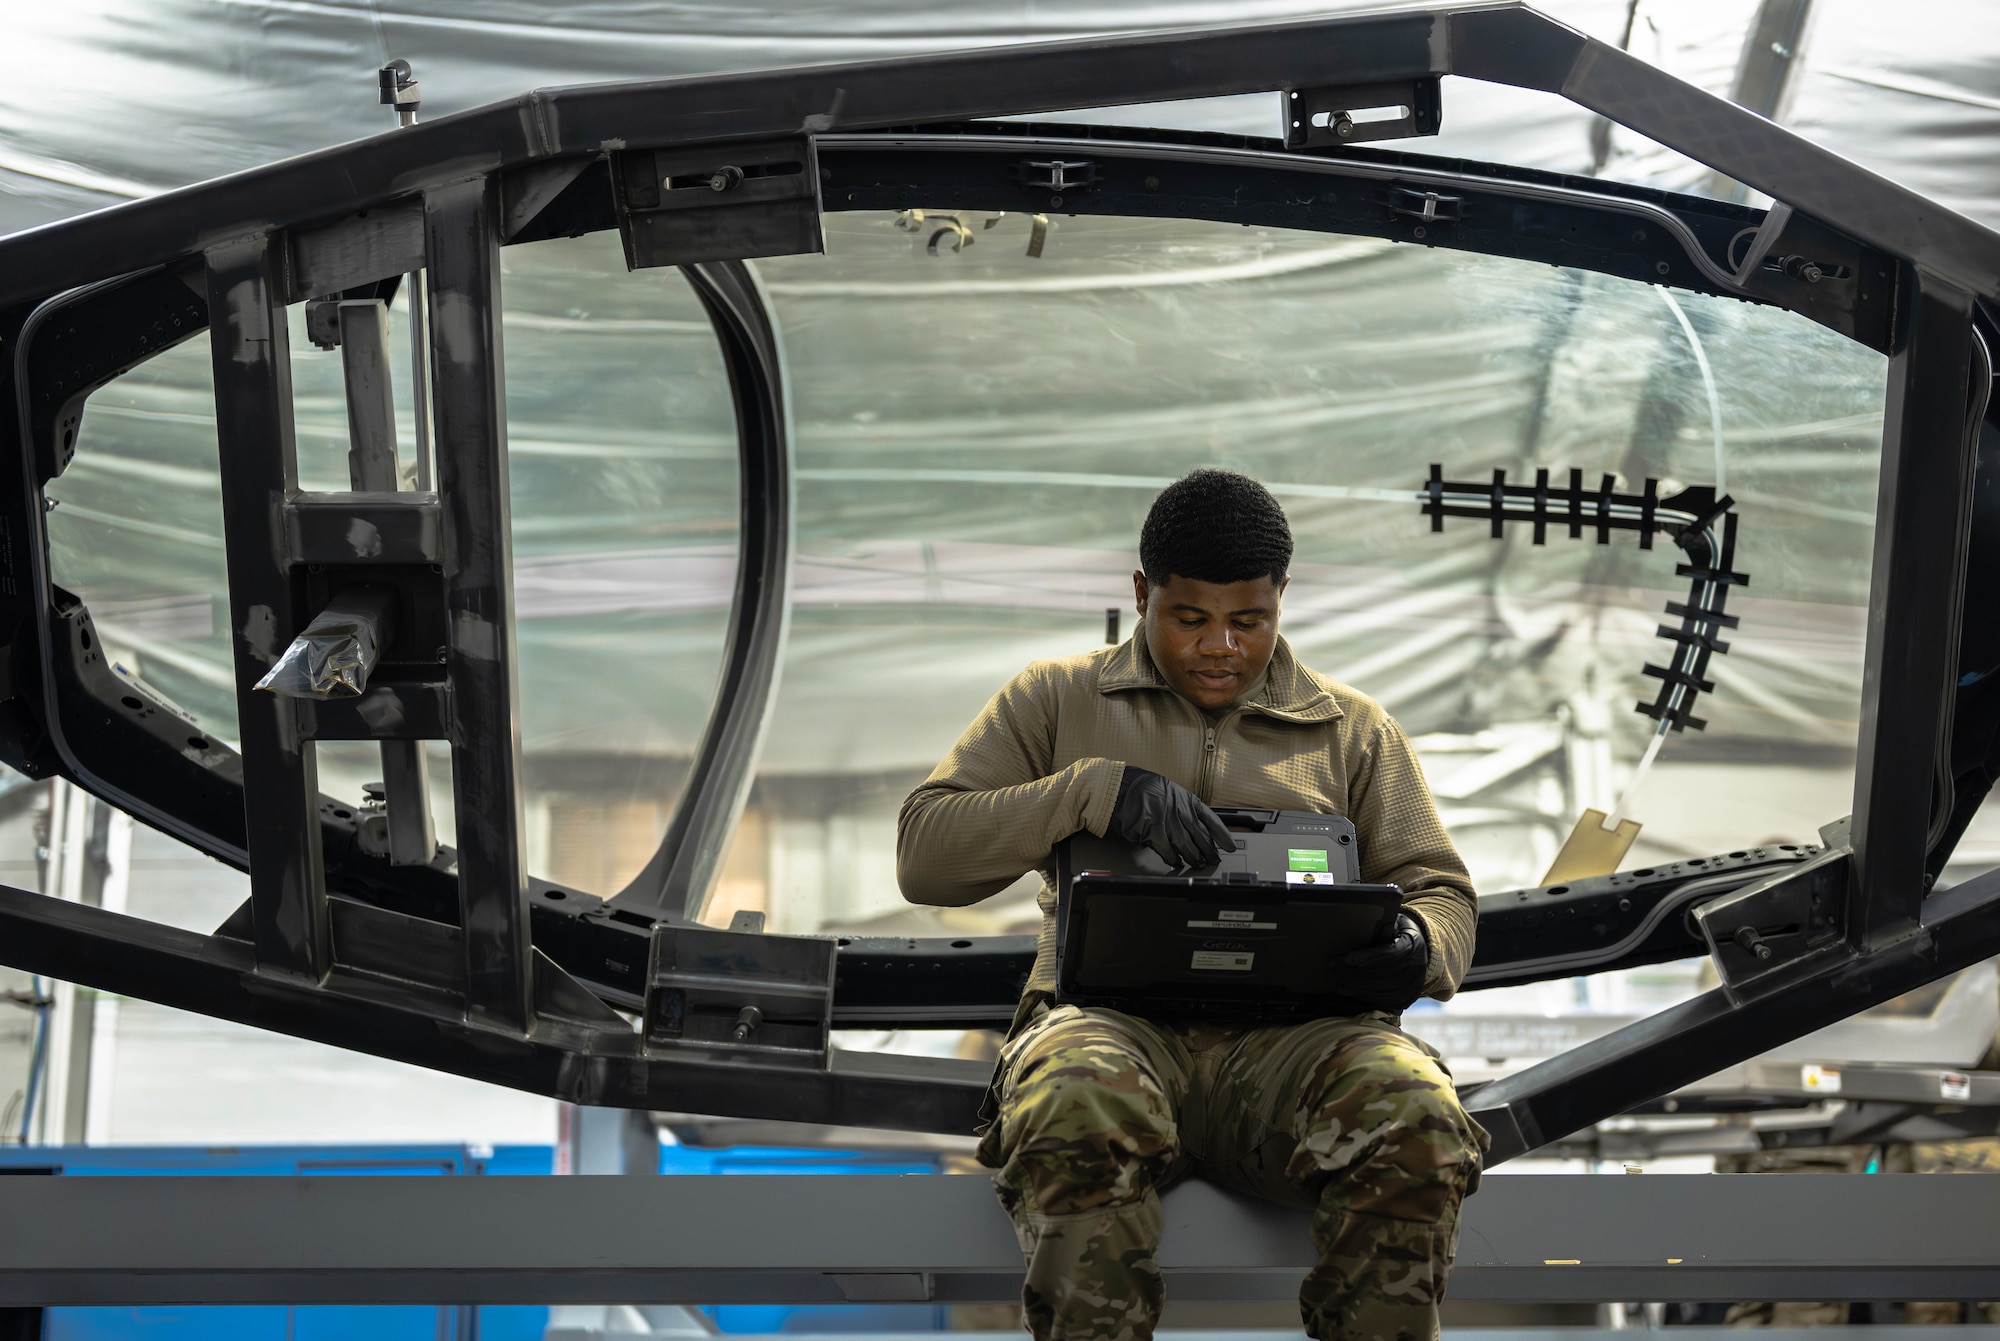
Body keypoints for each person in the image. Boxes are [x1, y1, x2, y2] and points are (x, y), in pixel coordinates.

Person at [897, 469, 1487, 1341]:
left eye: (1249, 621)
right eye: (1190, 618)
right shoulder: (1055, 700)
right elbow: (925, 857)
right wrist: (1088, 793)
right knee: (1074, 1095)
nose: (1221, 647)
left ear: (1282, 596)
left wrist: (1419, 944)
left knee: (1416, 1110)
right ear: (1143, 593)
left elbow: (1443, 892)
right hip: (1111, 1027)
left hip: (1298, 1049)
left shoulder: (1352, 730)